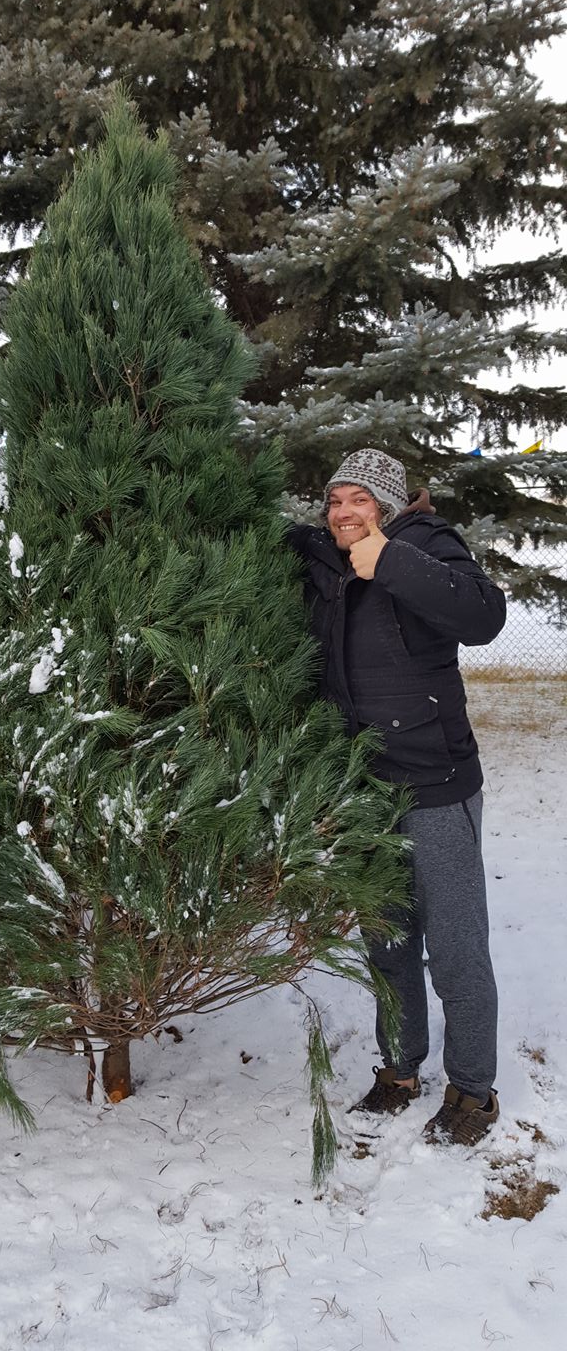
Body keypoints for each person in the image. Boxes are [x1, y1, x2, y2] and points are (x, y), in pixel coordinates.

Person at [288, 449, 507, 1146]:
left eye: (360, 499)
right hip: (363, 789)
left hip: (436, 781)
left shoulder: (424, 544)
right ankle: (401, 1071)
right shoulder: (323, 565)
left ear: (386, 505)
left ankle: (472, 1090)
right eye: (335, 500)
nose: (344, 512)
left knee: (456, 947)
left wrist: (390, 560)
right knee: (387, 944)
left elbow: (484, 616)